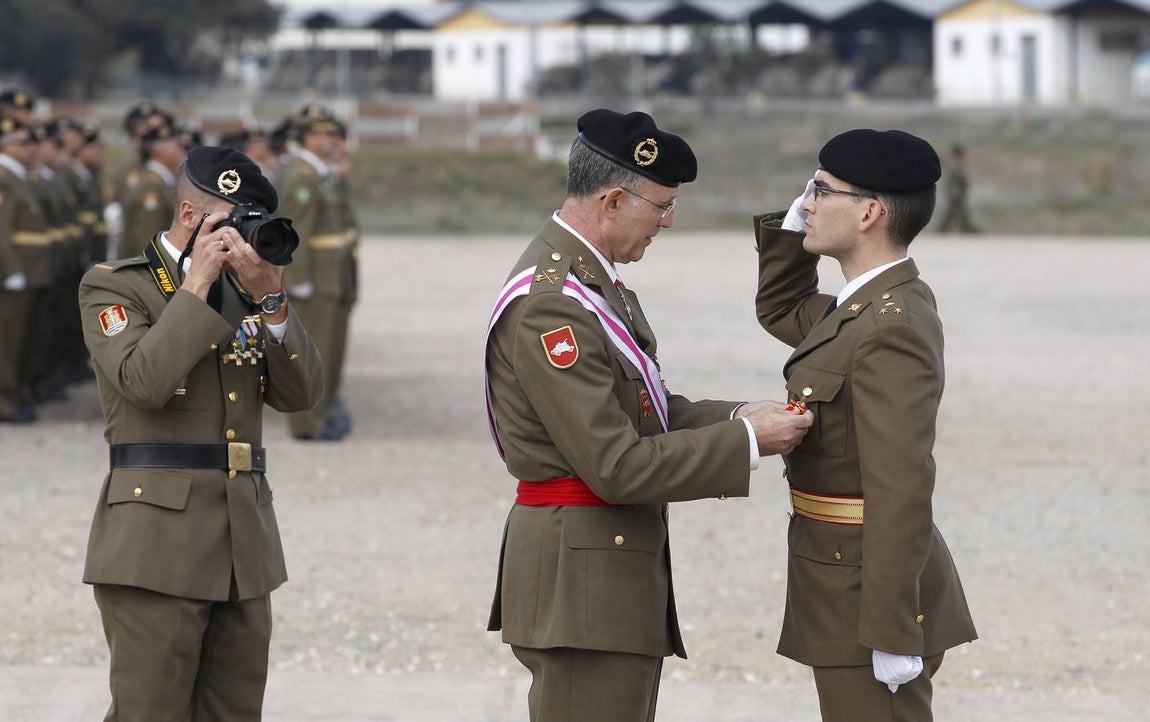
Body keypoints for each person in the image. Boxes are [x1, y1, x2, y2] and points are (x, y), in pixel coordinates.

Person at [485, 108, 814, 722]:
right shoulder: (552, 304)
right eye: (661, 206)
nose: (666, 222)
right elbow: (616, 464)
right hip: (580, 584)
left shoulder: (588, 279)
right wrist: (746, 440)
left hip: (598, 576)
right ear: (612, 201)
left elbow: (644, 411)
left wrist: (739, 413)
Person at [79, 146, 323, 720]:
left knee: (234, 712)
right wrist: (197, 284)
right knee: (151, 711)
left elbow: (301, 395)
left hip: (243, 541)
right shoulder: (116, 286)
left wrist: (272, 298)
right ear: (190, 217)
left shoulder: (247, 295)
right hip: (155, 542)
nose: (242, 238)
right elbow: (144, 381)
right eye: (232, 222)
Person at [752, 129, 978, 722]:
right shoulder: (858, 308)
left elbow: (901, 485)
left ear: (870, 212)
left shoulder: (890, 323)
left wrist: (891, 627)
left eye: (821, 192)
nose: (806, 204)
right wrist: (794, 224)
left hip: (868, 597)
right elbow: (779, 308)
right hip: (838, 577)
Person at [276, 106, 358, 440]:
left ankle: (323, 414)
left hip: (333, 275)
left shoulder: (322, 173)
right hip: (316, 279)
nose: (333, 141)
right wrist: (298, 281)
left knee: (330, 351)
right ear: (308, 138)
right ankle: (307, 422)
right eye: (325, 135)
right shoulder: (302, 176)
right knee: (314, 353)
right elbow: (295, 234)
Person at [0, 117, 49, 424]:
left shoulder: (21, 177)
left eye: (32, 143)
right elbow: (2, 230)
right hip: (14, 274)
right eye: (22, 143)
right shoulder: (4, 177)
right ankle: (5, 400)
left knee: (22, 339)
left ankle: (15, 394)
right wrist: (12, 270)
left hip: (31, 272)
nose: (30, 149)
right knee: (8, 341)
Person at [117, 121, 185, 258]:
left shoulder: (161, 181)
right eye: (176, 145)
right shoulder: (151, 186)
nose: (181, 151)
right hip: (148, 271)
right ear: (159, 149)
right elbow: (146, 238)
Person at [938, 143, 979, 233]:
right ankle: (965, 228)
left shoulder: (954, 164)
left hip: (956, 192)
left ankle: (964, 228)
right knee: (955, 212)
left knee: (956, 213)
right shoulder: (955, 164)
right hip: (956, 193)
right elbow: (959, 178)